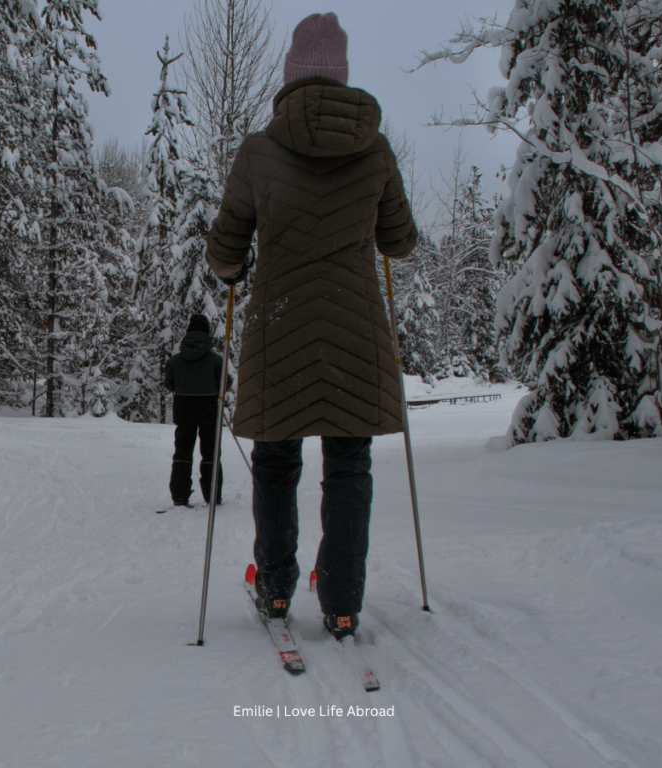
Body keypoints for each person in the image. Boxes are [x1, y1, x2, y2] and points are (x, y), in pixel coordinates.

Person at [205, 12, 418, 640]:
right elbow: (399, 242)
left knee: (275, 462)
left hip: (279, 328)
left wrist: (235, 262)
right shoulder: (375, 148)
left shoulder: (259, 150)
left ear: (290, 78)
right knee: (350, 465)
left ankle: (274, 594)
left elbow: (225, 252)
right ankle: (343, 603)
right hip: (355, 333)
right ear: (343, 78)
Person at [164, 313, 230, 507]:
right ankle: (213, 495)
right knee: (210, 453)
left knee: (182, 452)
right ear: (207, 333)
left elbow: (169, 384)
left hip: (184, 410)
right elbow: (225, 385)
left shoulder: (175, 361)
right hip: (209, 409)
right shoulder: (216, 360)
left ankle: (180, 496)